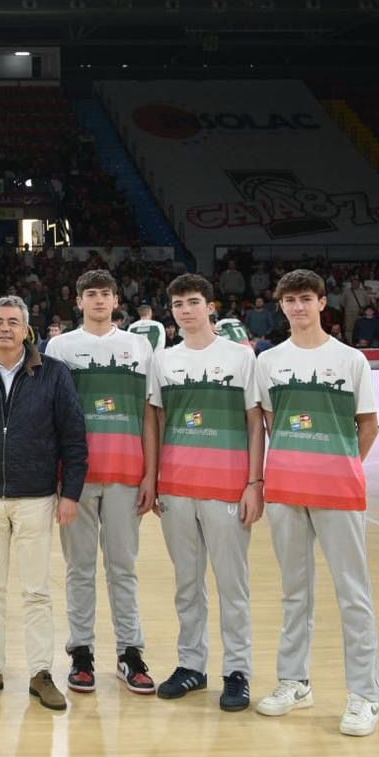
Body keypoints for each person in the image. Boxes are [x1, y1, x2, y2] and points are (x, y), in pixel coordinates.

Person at [254, 269, 379, 736]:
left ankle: (365, 695)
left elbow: (367, 425)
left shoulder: (351, 360)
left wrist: (340, 464)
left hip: (338, 492)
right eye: (289, 300)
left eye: (306, 298)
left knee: (353, 594)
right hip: (286, 491)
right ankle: (295, 682)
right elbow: (271, 422)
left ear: (322, 303)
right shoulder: (269, 361)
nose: (298, 307)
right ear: (281, 306)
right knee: (294, 591)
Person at [0, 296, 87, 711]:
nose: (5, 328)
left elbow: (73, 439)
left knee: (36, 590)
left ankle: (42, 671)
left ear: (27, 329)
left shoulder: (54, 373)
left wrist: (71, 494)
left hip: (37, 498)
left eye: (13, 322)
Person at [147, 273, 265, 714]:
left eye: (193, 302)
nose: (185, 310)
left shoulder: (240, 357)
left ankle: (237, 671)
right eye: (178, 304)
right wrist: (155, 479)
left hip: (228, 488)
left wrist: (255, 483)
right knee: (187, 584)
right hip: (177, 490)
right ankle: (191, 665)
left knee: (232, 585)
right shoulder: (164, 360)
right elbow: (156, 422)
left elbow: (256, 422)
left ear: (210, 307)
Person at [43, 269, 159, 697]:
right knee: (79, 570)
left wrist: (152, 473)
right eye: (90, 294)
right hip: (76, 478)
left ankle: (130, 653)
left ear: (115, 301)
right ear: (78, 302)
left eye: (105, 294)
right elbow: (50, 415)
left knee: (123, 569)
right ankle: (82, 653)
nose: (97, 300)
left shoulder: (138, 346)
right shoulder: (60, 346)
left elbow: (150, 413)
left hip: (128, 475)